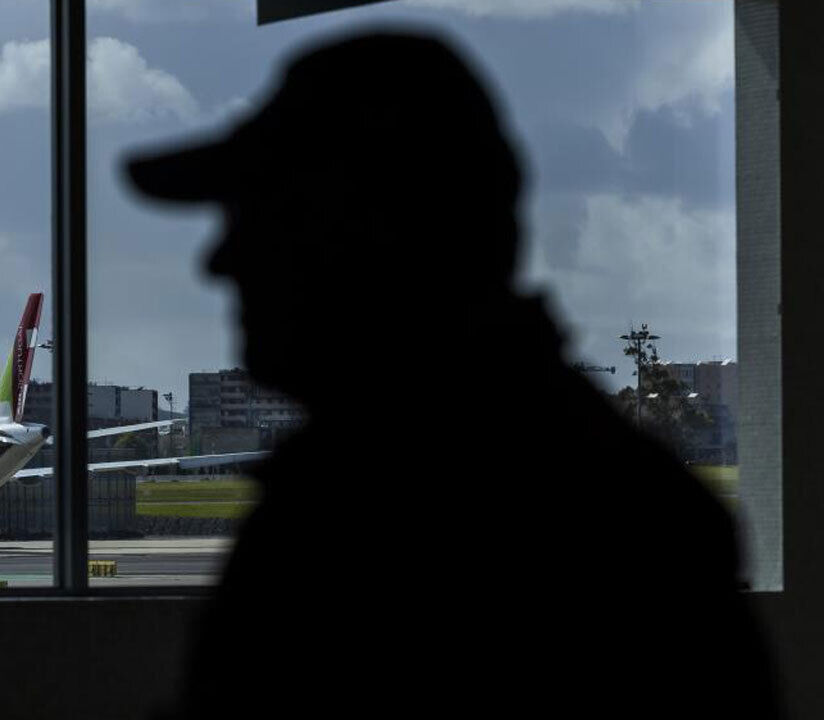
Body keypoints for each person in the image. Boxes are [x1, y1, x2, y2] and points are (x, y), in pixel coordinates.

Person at [125, 29, 778, 718]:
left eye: (265, 215)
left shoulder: (362, 518)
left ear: (376, 228)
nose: (219, 259)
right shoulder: (613, 505)